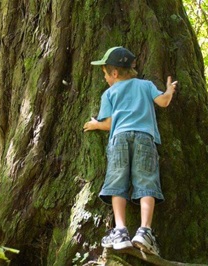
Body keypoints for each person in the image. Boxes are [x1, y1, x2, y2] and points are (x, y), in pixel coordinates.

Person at [83, 46, 177, 256]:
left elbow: (108, 124)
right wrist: (169, 90)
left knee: (117, 182)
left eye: (105, 73)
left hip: (120, 140)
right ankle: (144, 231)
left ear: (114, 73)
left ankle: (120, 231)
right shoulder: (146, 85)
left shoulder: (109, 93)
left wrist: (94, 125)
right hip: (145, 138)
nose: (105, 78)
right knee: (146, 182)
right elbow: (163, 102)